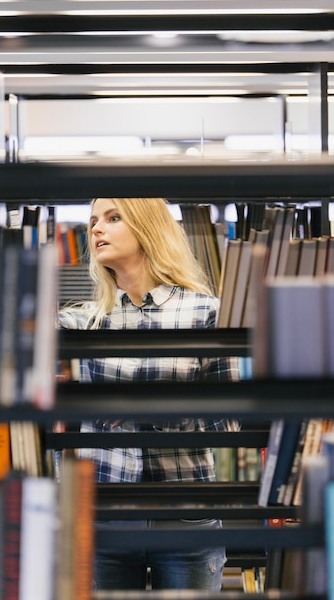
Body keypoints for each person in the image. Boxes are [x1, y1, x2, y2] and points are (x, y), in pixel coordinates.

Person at [59, 197, 240, 591]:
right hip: (102, 519)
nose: (96, 229)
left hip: (186, 520)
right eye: (93, 221)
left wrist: (156, 407)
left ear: (146, 227)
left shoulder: (206, 313)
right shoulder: (86, 320)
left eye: (112, 218)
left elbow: (228, 424)